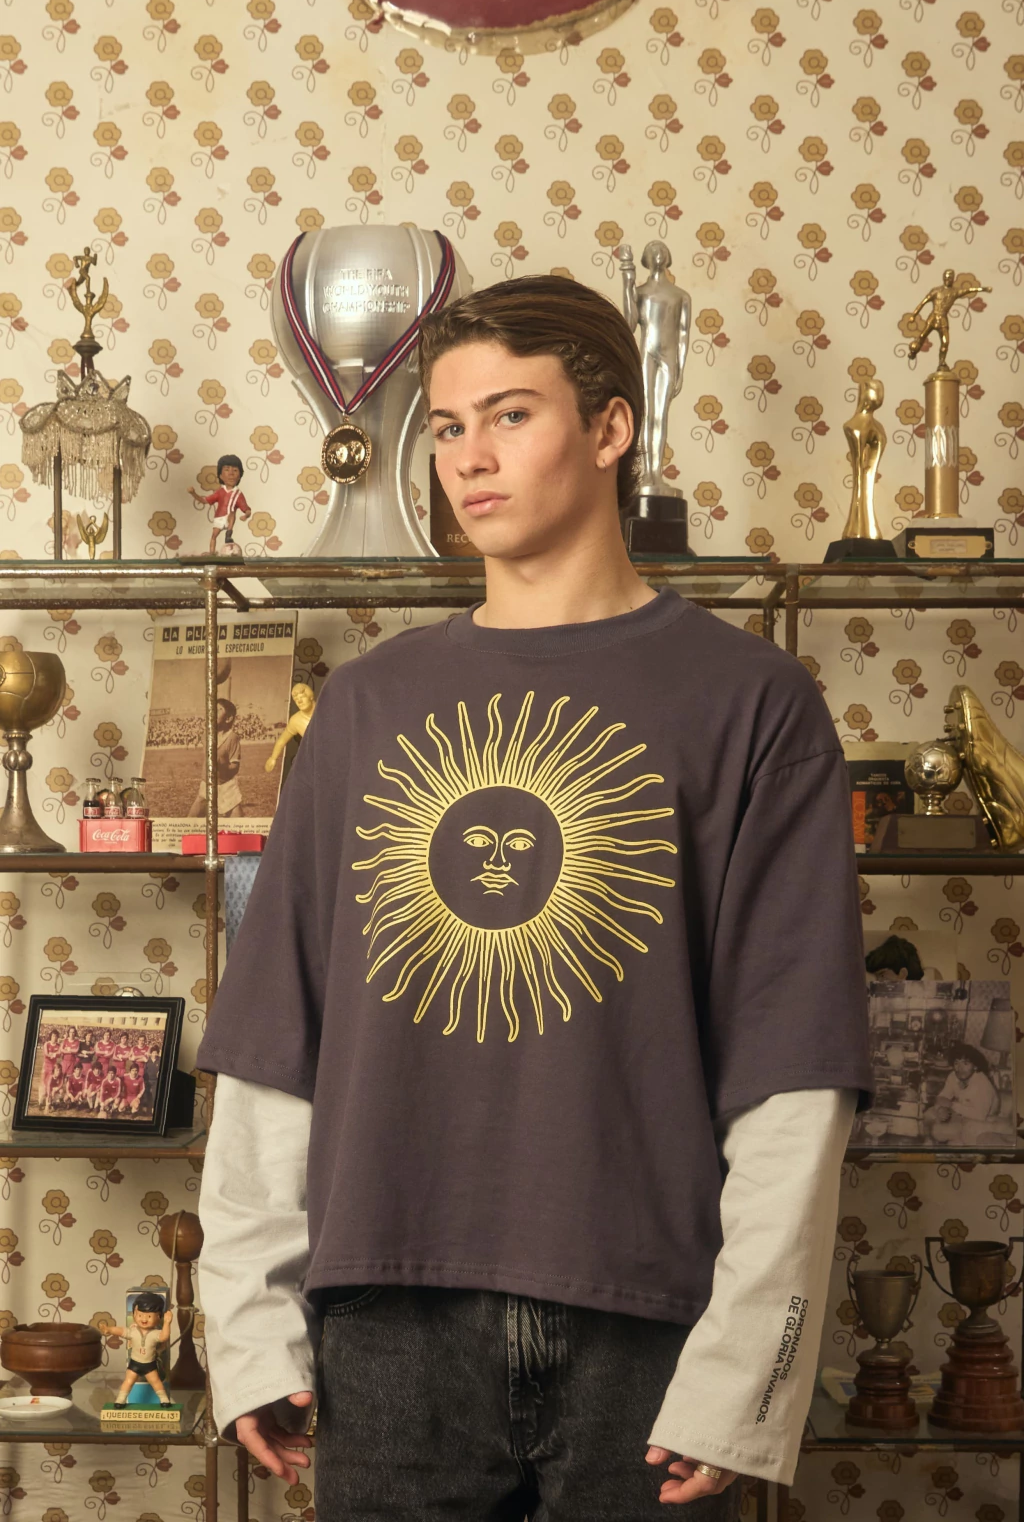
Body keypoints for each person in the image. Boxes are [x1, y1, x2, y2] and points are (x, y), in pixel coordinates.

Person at [195, 273, 873, 1516]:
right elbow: (274, 1037)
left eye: (510, 415)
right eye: (448, 427)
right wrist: (247, 1325)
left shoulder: (752, 703)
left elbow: (794, 1067)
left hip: (650, 1322)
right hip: (386, 1318)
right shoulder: (364, 707)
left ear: (610, 429)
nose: (469, 458)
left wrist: (746, 1370)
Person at [922, 1042, 1001, 1144]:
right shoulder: (953, 1076)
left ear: (975, 1066)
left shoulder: (983, 1084)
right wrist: (941, 1109)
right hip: (961, 1115)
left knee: (938, 1131)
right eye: (956, 1063)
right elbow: (942, 1097)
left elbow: (979, 1115)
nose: (960, 1068)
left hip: (980, 1123)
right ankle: (928, 1146)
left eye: (965, 1063)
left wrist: (951, 1105)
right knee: (928, 1114)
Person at [108, 1292, 175, 1406]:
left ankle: (164, 1400)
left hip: (149, 1364)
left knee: (156, 1382)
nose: (144, 1319)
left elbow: (164, 1337)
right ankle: (120, 1400)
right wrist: (109, 1329)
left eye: (149, 1316)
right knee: (128, 1381)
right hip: (135, 1363)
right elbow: (121, 1331)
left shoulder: (155, 1333)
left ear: (158, 1317)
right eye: (140, 1315)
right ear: (134, 1314)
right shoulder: (133, 1331)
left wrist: (167, 1323)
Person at [187, 698, 244, 820]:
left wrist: (222, 765)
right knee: (190, 821)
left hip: (226, 787)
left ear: (228, 718)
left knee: (238, 825)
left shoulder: (232, 738)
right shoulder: (206, 736)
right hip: (207, 785)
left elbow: (235, 767)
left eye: (218, 710)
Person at [189, 453, 251, 557]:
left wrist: (246, 515)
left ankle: (229, 533)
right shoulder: (220, 492)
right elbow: (204, 500)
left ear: (240, 475)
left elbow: (246, 509)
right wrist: (193, 493)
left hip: (230, 519)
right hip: (219, 518)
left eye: (235, 470)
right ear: (221, 476)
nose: (231, 473)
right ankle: (212, 552)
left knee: (232, 513)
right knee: (214, 536)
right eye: (227, 470)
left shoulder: (238, 494)